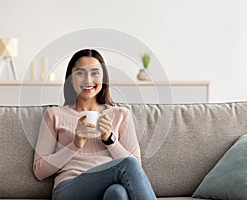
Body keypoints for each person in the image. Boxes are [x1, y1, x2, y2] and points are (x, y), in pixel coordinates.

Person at [33, 49, 157, 200]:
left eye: (95, 73)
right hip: (69, 189)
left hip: (109, 186)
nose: (88, 80)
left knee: (118, 193)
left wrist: (109, 140)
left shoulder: (121, 114)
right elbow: (39, 171)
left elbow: (136, 167)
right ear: (71, 78)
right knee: (127, 166)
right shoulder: (54, 114)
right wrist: (75, 145)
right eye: (80, 73)